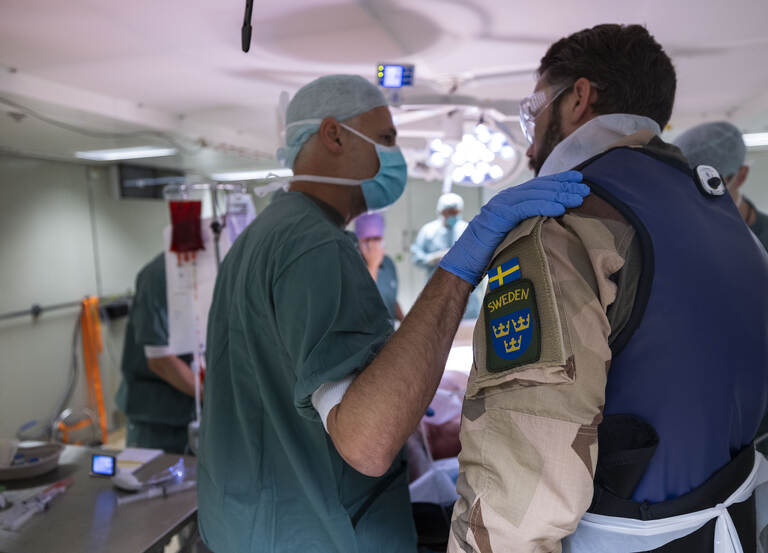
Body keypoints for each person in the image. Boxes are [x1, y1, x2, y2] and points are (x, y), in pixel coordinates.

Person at [197, 74, 589, 553]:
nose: (395, 156)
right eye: (385, 139)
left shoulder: (261, 239)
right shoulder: (315, 246)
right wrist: (460, 268)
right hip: (315, 533)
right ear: (333, 135)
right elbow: (366, 441)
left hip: (248, 524)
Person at [449, 24, 768, 553]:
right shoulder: (729, 223)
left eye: (536, 106)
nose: (531, 130)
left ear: (578, 97)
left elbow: (523, 491)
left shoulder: (564, 224)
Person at [675, 121, 768, 553]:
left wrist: (693, 393)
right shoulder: (680, 243)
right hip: (691, 455)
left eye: (711, 180)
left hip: (764, 449)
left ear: (739, 175)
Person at [116, 253, 197, 454]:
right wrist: (210, 394)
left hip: (190, 412)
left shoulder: (217, 270)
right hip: (156, 418)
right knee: (152, 477)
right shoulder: (160, 275)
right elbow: (160, 361)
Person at [411, 193, 482, 318]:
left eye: (455, 212)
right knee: (437, 324)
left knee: (467, 330)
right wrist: (433, 258)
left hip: (466, 294)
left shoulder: (468, 230)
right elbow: (416, 257)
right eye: (448, 212)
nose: (452, 216)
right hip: (437, 290)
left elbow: (481, 258)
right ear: (441, 211)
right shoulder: (428, 232)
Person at [353, 212, 404, 322]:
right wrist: (373, 265)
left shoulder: (388, 263)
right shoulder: (351, 264)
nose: (373, 245)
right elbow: (362, 301)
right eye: (367, 240)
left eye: (377, 238)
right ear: (358, 241)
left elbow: (390, 299)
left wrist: (404, 320)